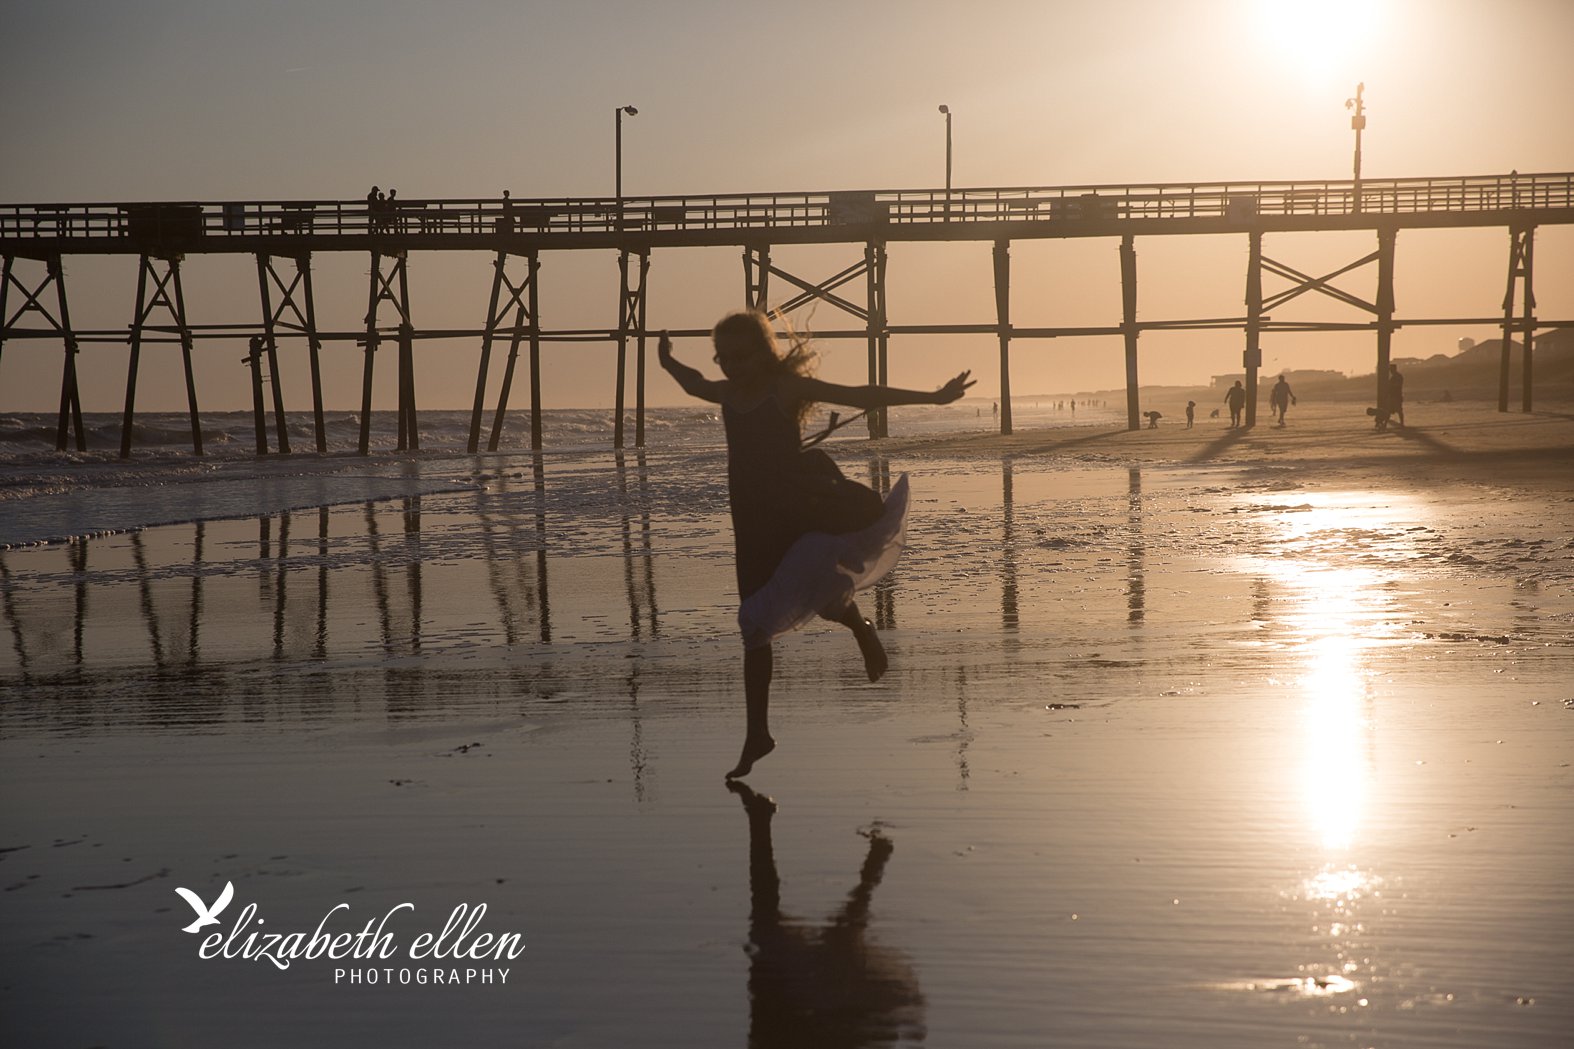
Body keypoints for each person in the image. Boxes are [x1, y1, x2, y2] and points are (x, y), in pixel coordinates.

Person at [659, 311, 972, 779]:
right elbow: (693, 382)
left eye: (740, 356)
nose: (730, 366)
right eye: (723, 357)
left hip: (797, 507)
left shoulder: (783, 390)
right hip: (750, 517)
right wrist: (668, 362)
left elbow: (860, 395)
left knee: (794, 597)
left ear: (764, 354)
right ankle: (764, 728)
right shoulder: (727, 393)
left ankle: (768, 720)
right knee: (760, 620)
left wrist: (933, 397)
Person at [1388, 363, 1405, 427]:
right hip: (1392, 395)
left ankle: (1402, 423)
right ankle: (1387, 422)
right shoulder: (1393, 376)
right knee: (1389, 409)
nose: (1390, 371)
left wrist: (1390, 385)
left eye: (1391, 370)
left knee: (1399, 410)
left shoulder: (1398, 376)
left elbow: (1398, 385)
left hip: (1397, 395)